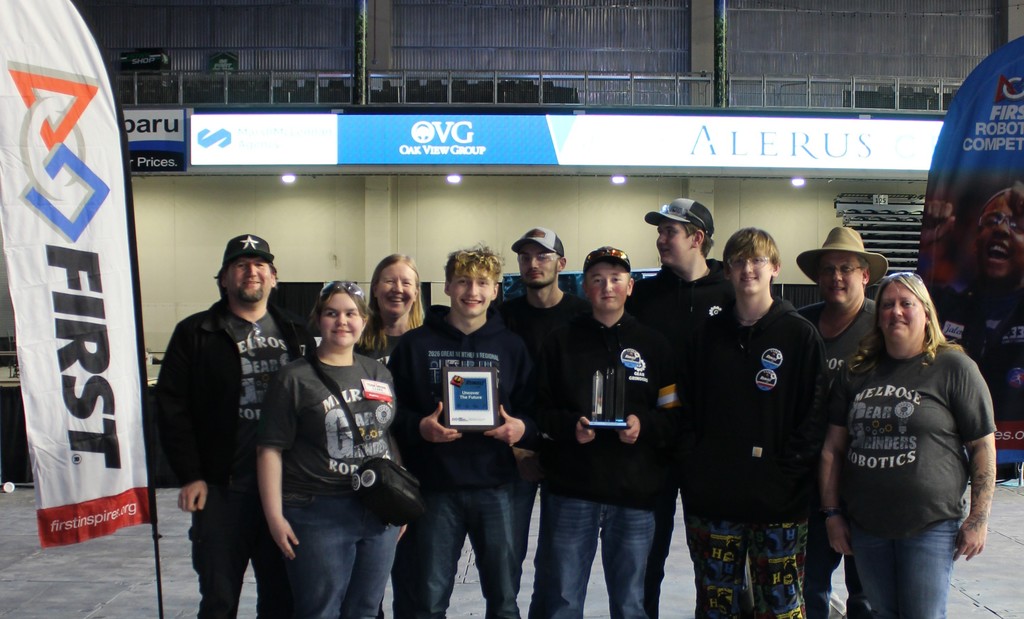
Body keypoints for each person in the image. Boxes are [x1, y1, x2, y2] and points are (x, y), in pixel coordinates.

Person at [819, 272, 996, 619]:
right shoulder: (857, 372)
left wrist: (978, 518)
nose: (895, 312)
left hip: (929, 526)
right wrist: (832, 514)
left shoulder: (953, 367)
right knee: (883, 614)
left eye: (906, 303)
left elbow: (983, 447)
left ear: (926, 313)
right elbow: (832, 450)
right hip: (868, 526)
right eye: (887, 304)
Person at [156, 233, 315, 619]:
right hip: (221, 490)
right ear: (223, 278)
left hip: (286, 490)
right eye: (240, 265)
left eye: (260, 265)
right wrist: (191, 475)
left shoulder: (298, 333)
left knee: (282, 600)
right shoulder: (196, 333)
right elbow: (171, 407)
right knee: (219, 599)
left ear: (274, 278)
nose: (251, 272)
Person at [679, 228, 826, 619]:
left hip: (779, 504)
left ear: (774, 268)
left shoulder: (800, 335)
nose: (748, 269)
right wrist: (696, 471)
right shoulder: (705, 337)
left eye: (757, 260)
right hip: (713, 502)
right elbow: (685, 410)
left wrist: (786, 476)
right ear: (726, 271)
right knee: (715, 607)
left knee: (781, 609)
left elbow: (814, 417)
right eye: (739, 262)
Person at [528, 246, 680, 619]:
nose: (607, 286)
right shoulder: (559, 342)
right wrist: (570, 427)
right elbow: (539, 411)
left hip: (634, 495)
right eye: (597, 279)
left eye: (615, 279)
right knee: (563, 600)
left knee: (631, 603)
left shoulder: (656, 346)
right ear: (584, 287)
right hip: (571, 492)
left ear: (630, 287)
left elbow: (674, 417)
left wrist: (644, 427)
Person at [388, 245, 537, 619]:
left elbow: (534, 413)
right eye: (463, 282)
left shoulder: (512, 346)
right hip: (435, 488)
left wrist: (521, 429)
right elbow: (391, 413)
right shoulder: (415, 345)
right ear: (447, 288)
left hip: (497, 487)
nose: (472, 291)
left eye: (482, 283)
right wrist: (420, 427)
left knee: (504, 599)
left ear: (496, 290)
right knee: (429, 600)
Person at [257, 280, 400, 619]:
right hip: (317, 511)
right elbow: (270, 450)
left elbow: (386, 435)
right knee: (319, 611)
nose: (342, 321)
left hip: (377, 509)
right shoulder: (294, 378)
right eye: (332, 313)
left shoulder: (377, 372)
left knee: (366, 609)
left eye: (351, 313)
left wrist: (399, 499)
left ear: (364, 320)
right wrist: (275, 517)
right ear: (318, 319)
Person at [628, 198, 734, 619]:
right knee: (646, 560)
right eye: (659, 230)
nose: (660, 239)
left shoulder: (729, 295)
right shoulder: (645, 296)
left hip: (710, 452)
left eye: (670, 231)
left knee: (714, 564)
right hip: (651, 447)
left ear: (698, 237)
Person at [794, 227, 887, 619]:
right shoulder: (800, 326)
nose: (836, 277)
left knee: (865, 593)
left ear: (865, 275)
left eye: (846, 268)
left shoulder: (883, 326)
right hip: (807, 479)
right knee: (810, 585)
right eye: (828, 269)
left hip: (867, 479)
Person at [500, 226, 591, 596]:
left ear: (561, 263)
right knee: (506, 558)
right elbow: (492, 383)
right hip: (514, 450)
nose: (532, 264)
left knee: (559, 563)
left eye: (542, 256)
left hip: (568, 449)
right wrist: (517, 448)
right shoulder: (501, 316)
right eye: (525, 257)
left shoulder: (582, 316)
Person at [926, 184, 1024, 428]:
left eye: (1017, 225)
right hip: (953, 443)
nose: (1001, 229)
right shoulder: (942, 306)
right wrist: (928, 246)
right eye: (994, 220)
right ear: (975, 240)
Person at [357, 254, 424, 364]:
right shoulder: (356, 339)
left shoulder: (428, 342)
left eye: (406, 283)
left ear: (416, 293)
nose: (398, 289)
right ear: (375, 289)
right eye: (390, 281)